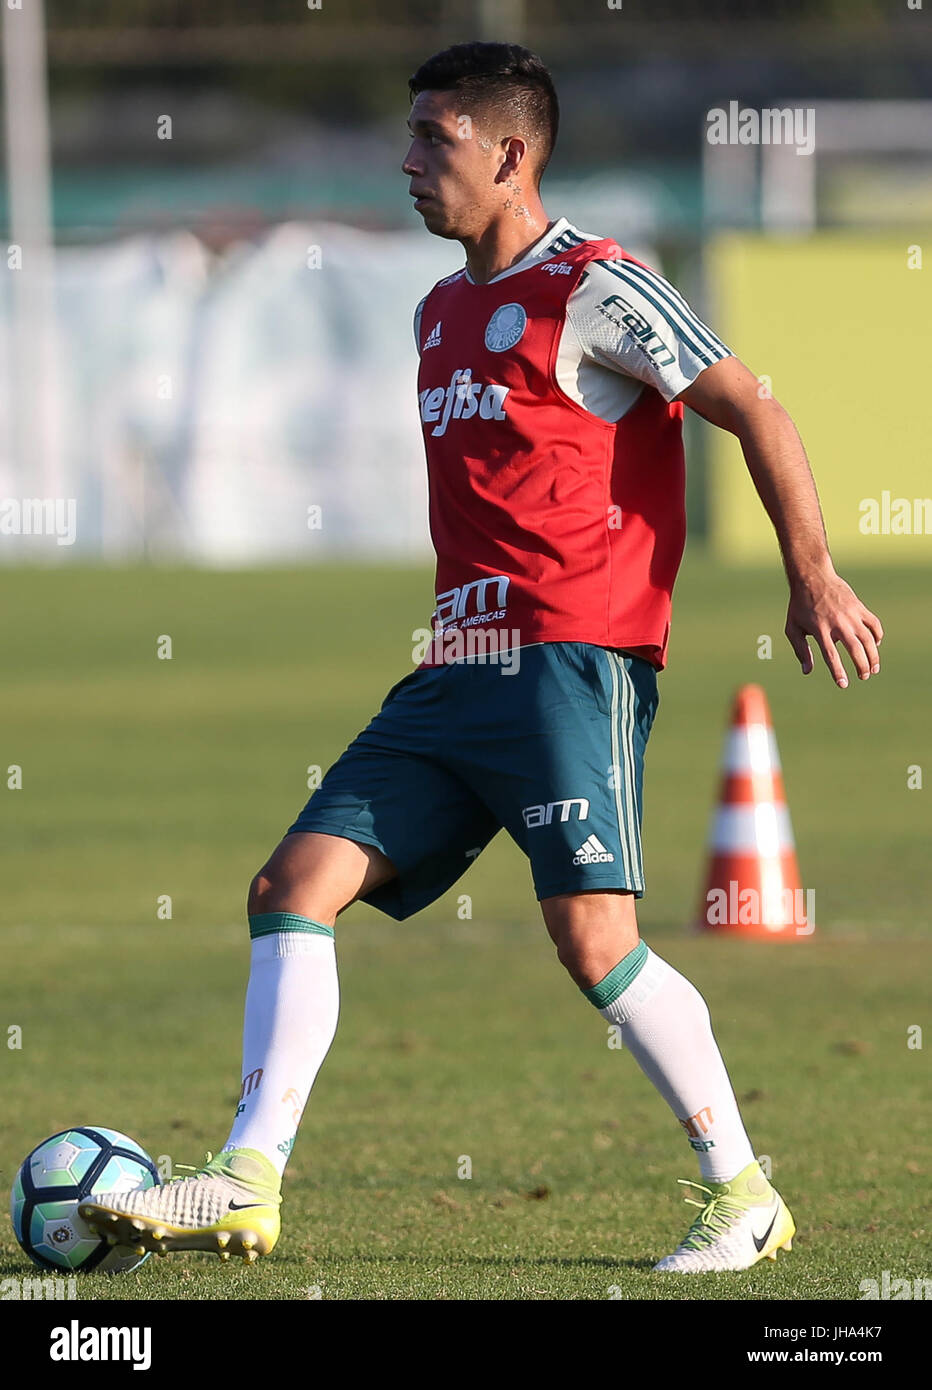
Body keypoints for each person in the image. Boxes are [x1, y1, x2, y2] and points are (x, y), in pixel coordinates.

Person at [81, 41, 883, 1275]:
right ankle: (246, 1178)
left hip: (572, 664)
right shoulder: (437, 311)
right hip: (453, 668)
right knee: (289, 885)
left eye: (432, 140)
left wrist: (809, 568)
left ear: (508, 154)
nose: (408, 163)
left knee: (594, 943)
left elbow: (755, 406)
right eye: (406, 138)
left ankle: (744, 1193)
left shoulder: (600, 285)